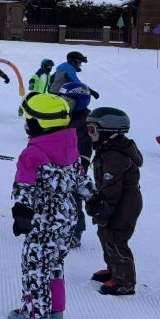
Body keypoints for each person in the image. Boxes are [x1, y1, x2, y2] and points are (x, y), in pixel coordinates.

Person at [8, 92, 92, 319]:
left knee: (35, 264)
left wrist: (22, 212)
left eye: (29, 120)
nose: (26, 124)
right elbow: (80, 179)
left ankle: (34, 313)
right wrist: (94, 199)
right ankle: (56, 313)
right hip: (67, 214)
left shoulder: (33, 153)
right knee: (55, 262)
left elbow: (25, 185)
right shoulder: (69, 146)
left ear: (39, 124)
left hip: (43, 216)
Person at [86, 107, 143, 297]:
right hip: (115, 199)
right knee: (105, 234)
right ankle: (113, 269)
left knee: (117, 238)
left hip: (124, 203)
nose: (89, 134)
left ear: (107, 131)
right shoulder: (107, 148)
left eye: (92, 130)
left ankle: (125, 281)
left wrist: (104, 206)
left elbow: (112, 186)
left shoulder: (114, 155)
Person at [58, 82, 94, 249]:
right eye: (62, 100)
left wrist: (83, 163)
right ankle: (58, 225)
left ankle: (76, 232)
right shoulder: (65, 115)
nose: (64, 104)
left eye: (68, 101)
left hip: (78, 163)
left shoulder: (86, 120)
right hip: (60, 160)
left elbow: (87, 144)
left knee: (74, 197)